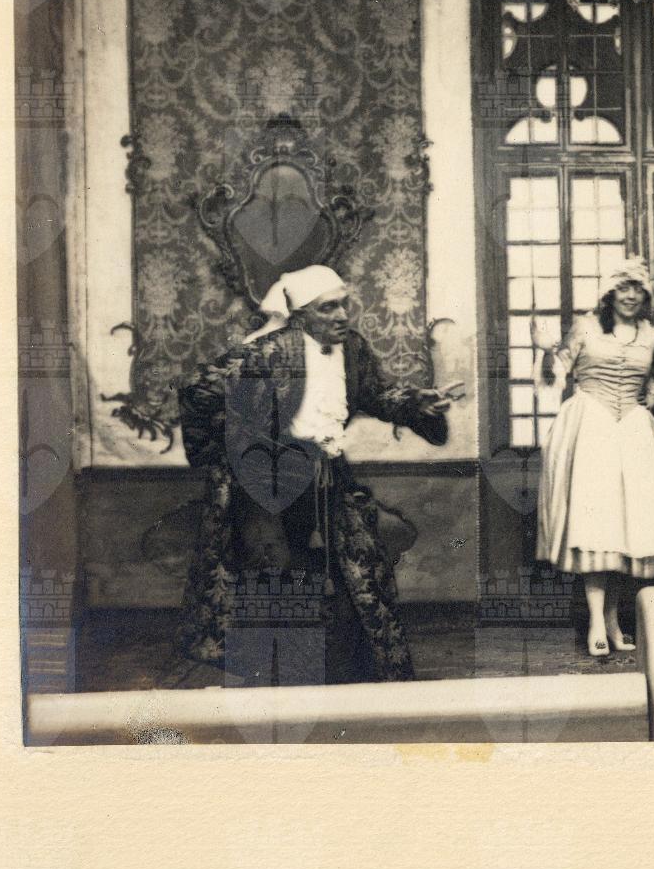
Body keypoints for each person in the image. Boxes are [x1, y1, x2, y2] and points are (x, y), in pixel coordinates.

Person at [174, 263, 464, 682]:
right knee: (270, 572)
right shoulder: (268, 352)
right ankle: (272, 684)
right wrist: (247, 445)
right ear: (301, 315)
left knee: (358, 570)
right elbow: (197, 390)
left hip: (327, 477)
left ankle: (349, 682)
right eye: (328, 308)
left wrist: (418, 402)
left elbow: (379, 394)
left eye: (344, 305)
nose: (342, 315)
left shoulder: (354, 348)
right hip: (267, 485)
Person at [536, 257, 654, 658]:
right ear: (609, 293)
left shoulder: (652, 335)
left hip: (633, 431)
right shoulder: (585, 327)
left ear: (646, 295)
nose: (631, 296)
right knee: (596, 525)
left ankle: (614, 621)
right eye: (623, 288)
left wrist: (648, 398)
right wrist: (546, 350)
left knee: (625, 531)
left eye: (638, 289)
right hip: (591, 428)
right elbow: (553, 377)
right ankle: (596, 624)